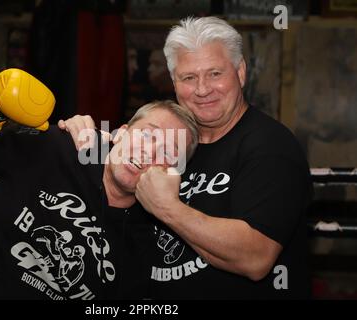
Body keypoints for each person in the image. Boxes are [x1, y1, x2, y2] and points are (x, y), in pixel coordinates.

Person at [59, 17, 313, 299]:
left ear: (240, 73)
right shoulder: (167, 141)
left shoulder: (270, 147)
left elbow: (256, 258)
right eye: (189, 77)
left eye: (215, 74)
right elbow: (102, 179)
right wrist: (74, 133)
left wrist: (168, 208)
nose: (202, 89)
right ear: (174, 82)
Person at [0, 69, 198, 300]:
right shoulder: (59, 147)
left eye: (168, 153)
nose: (149, 152)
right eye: (148, 135)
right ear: (120, 133)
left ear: (171, 174)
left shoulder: (142, 247)